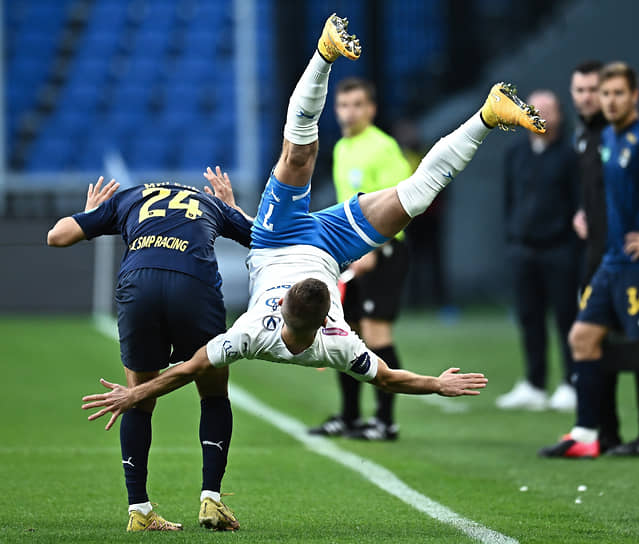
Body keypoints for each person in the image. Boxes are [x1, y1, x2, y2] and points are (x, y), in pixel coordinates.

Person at [80, 14, 545, 440]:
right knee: (417, 197)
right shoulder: (338, 345)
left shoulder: (249, 335)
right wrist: (436, 385)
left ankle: (324, 52)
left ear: (282, 306)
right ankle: (488, 113)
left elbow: (185, 370)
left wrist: (132, 394)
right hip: (331, 248)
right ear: (328, 318)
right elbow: (386, 377)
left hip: (276, 234)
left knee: (299, 155)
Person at [47, 170, 253, 531]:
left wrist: (91, 212)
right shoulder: (210, 203)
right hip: (194, 286)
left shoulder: (126, 198)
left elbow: (57, 236)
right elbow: (266, 237)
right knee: (214, 392)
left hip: (139, 284)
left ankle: (139, 511)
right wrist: (232, 208)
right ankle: (211, 499)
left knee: (138, 398)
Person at [539, 62, 639, 461]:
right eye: (604, 94)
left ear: (634, 95)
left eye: (617, 94)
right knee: (582, 338)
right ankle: (585, 433)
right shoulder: (609, 138)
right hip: (612, 262)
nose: (608, 101)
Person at [309, 77, 411, 441]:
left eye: (356, 105)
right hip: (352, 255)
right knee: (344, 333)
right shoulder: (341, 149)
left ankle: (385, 421)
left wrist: (371, 248)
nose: (348, 113)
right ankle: (350, 416)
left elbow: (400, 204)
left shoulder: (383, 149)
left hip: (382, 252)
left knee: (376, 333)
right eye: (342, 106)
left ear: (371, 109)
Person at [570, 60, 639, 457]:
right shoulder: (587, 138)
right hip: (597, 259)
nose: (590, 97)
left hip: (630, 258)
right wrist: (583, 212)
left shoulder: (626, 137)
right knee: (593, 343)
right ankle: (603, 431)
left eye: (598, 90)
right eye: (583, 90)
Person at [496, 90, 580, 412]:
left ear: (560, 115)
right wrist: (512, 236)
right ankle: (534, 382)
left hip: (559, 250)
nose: (540, 115)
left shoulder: (570, 155)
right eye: (533, 109)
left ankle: (570, 383)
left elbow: (577, 203)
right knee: (529, 318)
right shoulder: (515, 152)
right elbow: (509, 200)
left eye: (547, 109)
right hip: (523, 249)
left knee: (565, 318)